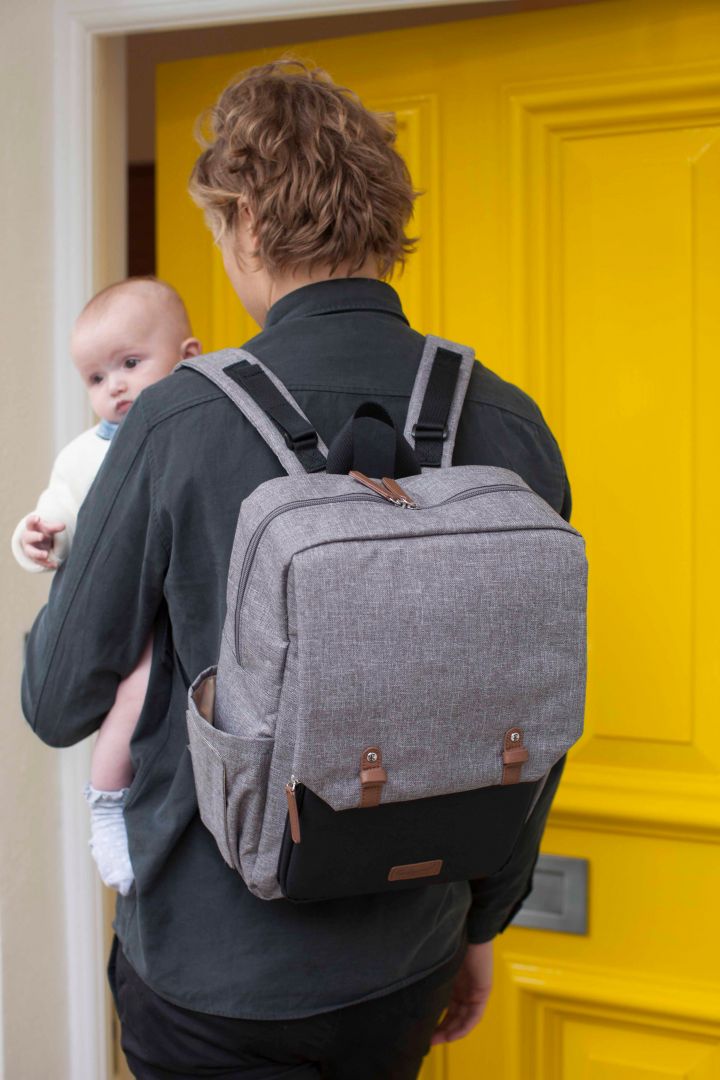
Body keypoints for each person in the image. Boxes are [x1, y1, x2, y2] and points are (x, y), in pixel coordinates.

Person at [23, 61, 571, 1079]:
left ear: (242, 221)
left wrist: (74, 532)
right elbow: (531, 718)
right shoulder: (505, 417)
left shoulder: (176, 420)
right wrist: (479, 923)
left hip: (211, 968)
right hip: (412, 949)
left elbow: (58, 700)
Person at [14, 278, 201, 895]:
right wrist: (36, 537)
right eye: (96, 379)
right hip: (138, 621)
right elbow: (56, 516)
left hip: (200, 610)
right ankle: (106, 804)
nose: (114, 386)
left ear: (189, 357)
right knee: (134, 695)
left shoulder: (207, 430)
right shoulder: (81, 458)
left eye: (129, 364)